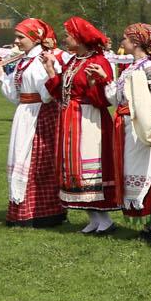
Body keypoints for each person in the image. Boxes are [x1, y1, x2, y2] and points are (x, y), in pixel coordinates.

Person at [0, 18, 67, 226]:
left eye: (21, 37)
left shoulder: (40, 60)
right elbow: (15, 95)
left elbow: (47, 94)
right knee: (23, 159)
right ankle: (24, 211)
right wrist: (1, 75)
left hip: (40, 115)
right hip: (25, 113)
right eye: (16, 37)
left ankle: (42, 212)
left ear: (34, 38)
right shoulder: (23, 61)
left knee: (36, 162)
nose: (16, 41)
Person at [56, 17, 121, 234]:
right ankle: (93, 217)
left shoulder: (99, 62)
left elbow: (103, 99)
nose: (64, 39)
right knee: (75, 167)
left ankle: (104, 218)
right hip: (71, 118)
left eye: (68, 35)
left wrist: (97, 84)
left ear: (79, 38)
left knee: (89, 166)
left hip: (89, 118)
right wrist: (50, 71)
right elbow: (62, 90)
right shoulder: (73, 60)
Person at [108, 24, 151, 240]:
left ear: (135, 42)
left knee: (148, 172)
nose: (122, 42)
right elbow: (116, 97)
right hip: (127, 125)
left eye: (125, 38)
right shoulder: (132, 67)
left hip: (143, 126)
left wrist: (150, 124)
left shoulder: (150, 67)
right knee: (132, 171)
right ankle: (149, 224)